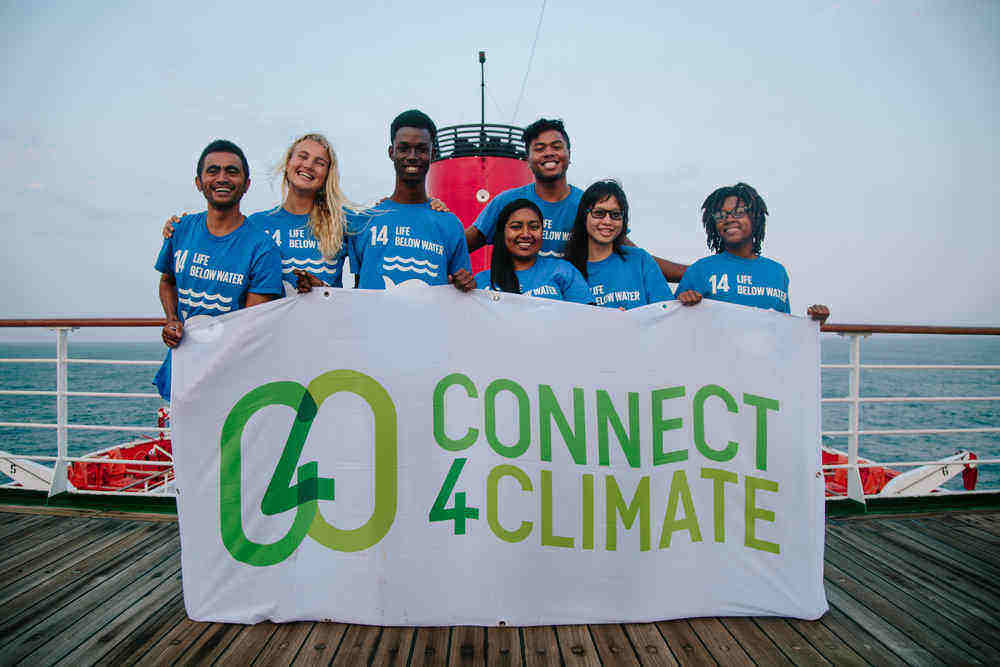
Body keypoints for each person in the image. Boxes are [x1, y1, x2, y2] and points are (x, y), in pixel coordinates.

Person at [162, 134, 452, 295]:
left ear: (327, 174)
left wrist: (432, 205)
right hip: (272, 340)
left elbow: (398, 216)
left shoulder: (347, 220)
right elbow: (219, 246)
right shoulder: (256, 224)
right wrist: (181, 226)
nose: (309, 166)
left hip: (324, 339)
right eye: (302, 157)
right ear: (288, 162)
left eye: (320, 162)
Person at [465, 118, 688, 282]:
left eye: (557, 146)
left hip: (573, 311)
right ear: (528, 159)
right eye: (539, 149)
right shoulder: (507, 202)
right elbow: (460, 246)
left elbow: (635, 258)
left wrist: (694, 274)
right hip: (517, 305)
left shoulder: (589, 206)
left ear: (569, 154)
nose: (549, 153)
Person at [153, 140, 283, 400]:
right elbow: (167, 281)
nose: (222, 178)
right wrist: (171, 320)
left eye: (232, 171)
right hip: (180, 370)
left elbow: (249, 326)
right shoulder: (180, 230)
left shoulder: (262, 248)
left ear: (246, 185)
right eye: (213, 171)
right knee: (177, 441)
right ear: (199, 182)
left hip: (229, 382)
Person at [347, 109, 475, 291]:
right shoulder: (364, 221)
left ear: (433, 154)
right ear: (392, 152)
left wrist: (466, 283)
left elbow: (463, 291)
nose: (412, 157)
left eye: (422, 150)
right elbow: (357, 291)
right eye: (404, 148)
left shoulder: (450, 224)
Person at [674, 182, 830, 322]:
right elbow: (675, 323)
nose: (729, 219)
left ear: (755, 217)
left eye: (738, 212)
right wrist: (683, 303)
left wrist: (814, 323)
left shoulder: (777, 272)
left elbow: (784, 328)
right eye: (721, 215)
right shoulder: (700, 270)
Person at [564, 180, 674, 309]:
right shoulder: (567, 269)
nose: (607, 221)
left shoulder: (640, 260)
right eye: (599, 213)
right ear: (584, 216)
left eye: (615, 215)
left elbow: (665, 313)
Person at [475, 198, 591, 304]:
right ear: (502, 233)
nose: (526, 234)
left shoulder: (563, 271)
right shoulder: (480, 281)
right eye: (516, 227)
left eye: (534, 227)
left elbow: (587, 319)